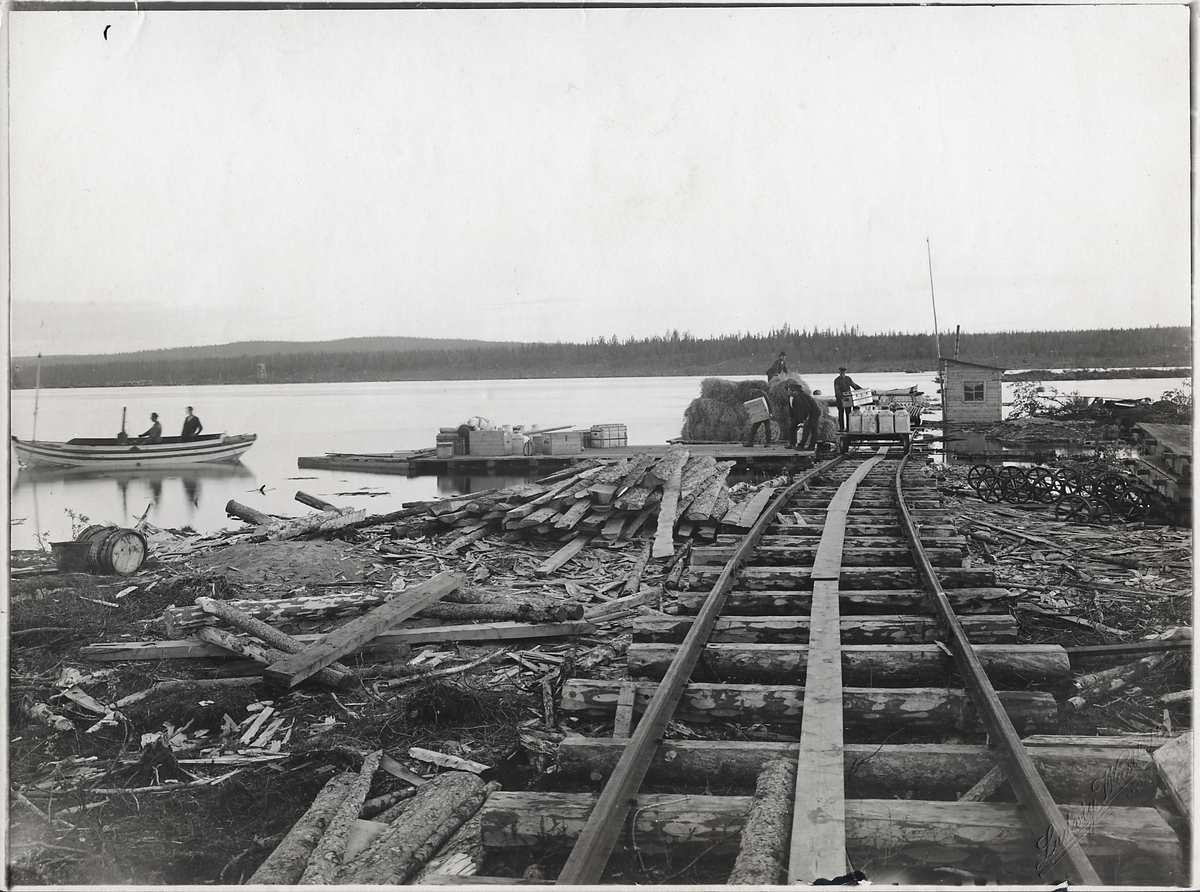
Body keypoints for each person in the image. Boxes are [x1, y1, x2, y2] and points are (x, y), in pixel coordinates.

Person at [789, 384, 821, 450]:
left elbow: (806, 408)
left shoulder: (799, 397)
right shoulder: (803, 395)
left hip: (813, 413)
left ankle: (802, 445)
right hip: (815, 412)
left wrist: (804, 419)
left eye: (791, 391)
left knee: (807, 429)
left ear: (795, 391)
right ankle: (811, 446)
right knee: (813, 430)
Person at [833, 366, 862, 431]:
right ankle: (841, 428)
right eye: (841, 373)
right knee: (841, 413)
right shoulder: (836, 380)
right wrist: (842, 397)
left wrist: (861, 390)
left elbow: (854, 386)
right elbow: (837, 390)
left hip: (848, 399)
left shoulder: (848, 379)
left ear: (845, 373)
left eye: (843, 373)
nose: (842, 375)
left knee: (848, 413)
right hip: (839, 399)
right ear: (839, 373)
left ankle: (848, 428)